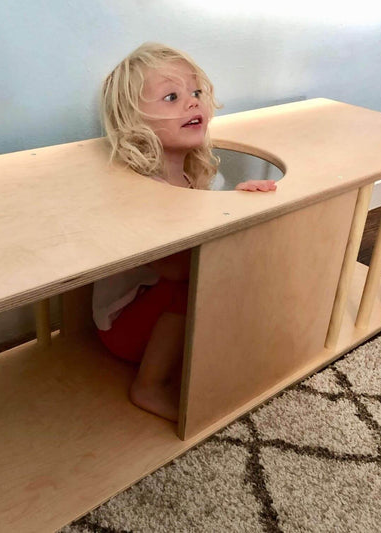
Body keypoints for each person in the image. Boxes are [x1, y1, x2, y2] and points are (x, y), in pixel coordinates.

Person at [93, 42, 277, 422]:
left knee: (225, 274)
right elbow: (178, 269)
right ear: (134, 121)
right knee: (195, 282)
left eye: (195, 93)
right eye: (172, 97)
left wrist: (237, 202)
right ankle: (148, 386)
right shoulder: (141, 190)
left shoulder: (195, 174)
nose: (192, 103)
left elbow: (205, 226)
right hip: (123, 324)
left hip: (154, 310)